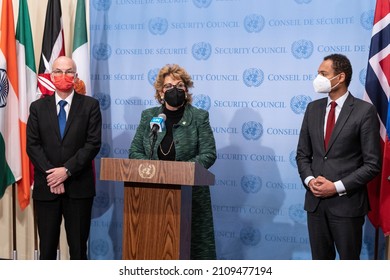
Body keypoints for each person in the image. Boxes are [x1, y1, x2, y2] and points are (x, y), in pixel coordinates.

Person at [296, 53, 381, 260]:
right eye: (318, 74)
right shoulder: (312, 109)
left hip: (347, 205)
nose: (318, 79)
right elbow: (302, 154)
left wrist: (335, 187)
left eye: (323, 74)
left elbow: (372, 164)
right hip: (315, 204)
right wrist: (310, 181)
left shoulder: (364, 111)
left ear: (340, 77)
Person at [129, 63, 217, 259]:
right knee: (154, 248)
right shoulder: (149, 116)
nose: (174, 90)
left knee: (193, 252)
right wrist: (152, 169)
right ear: (161, 92)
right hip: (153, 195)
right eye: (169, 86)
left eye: (179, 85)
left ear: (186, 91)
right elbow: (135, 151)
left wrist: (180, 172)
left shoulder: (199, 117)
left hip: (191, 195)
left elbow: (208, 153)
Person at [27, 56, 102, 260]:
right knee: (47, 251)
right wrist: (54, 175)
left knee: (78, 250)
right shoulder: (37, 108)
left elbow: (92, 144)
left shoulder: (90, 106)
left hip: (78, 187)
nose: (63, 76)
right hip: (47, 187)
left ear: (76, 76)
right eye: (58, 71)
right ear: (51, 76)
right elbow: (32, 146)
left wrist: (66, 171)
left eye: (69, 71)